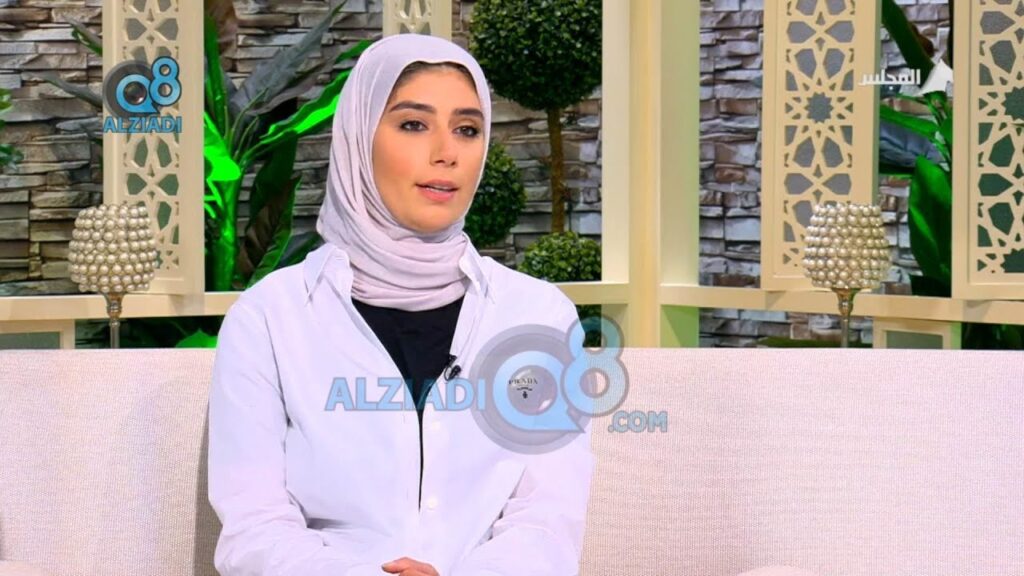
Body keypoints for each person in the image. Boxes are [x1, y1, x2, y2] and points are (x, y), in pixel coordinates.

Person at [207, 33, 595, 576]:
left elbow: (547, 521)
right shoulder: (270, 317)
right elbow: (254, 528)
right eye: (414, 124)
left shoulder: (538, 316)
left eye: (467, 129)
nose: (447, 152)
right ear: (359, 137)